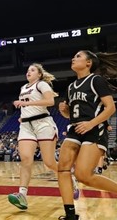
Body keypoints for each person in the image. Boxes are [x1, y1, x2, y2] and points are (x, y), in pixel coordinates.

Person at [54, 50, 117, 220]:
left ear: (88, 62)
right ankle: (71, 217)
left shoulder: (95, 81)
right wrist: (64, 111)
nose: (73, 58)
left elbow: (110, 107)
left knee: (84, 176)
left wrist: (91, 123)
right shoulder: (71, 87)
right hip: (75, 129)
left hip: (94, 130)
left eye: (77, 56)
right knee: (63, 169)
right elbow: (71, 114)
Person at [7, 63, 78, 210]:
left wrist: (28, 105)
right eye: (27, 70)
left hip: (43, 124)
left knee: (49, 162)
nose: (29, 72)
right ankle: (22, 195)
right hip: (26, 126)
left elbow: (50, 101)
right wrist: (24, 115)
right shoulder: (23, 88)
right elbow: (27, 106)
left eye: (32, 70)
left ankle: (71, 180)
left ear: (39, 74)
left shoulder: (42, 85)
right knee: (26, 159)